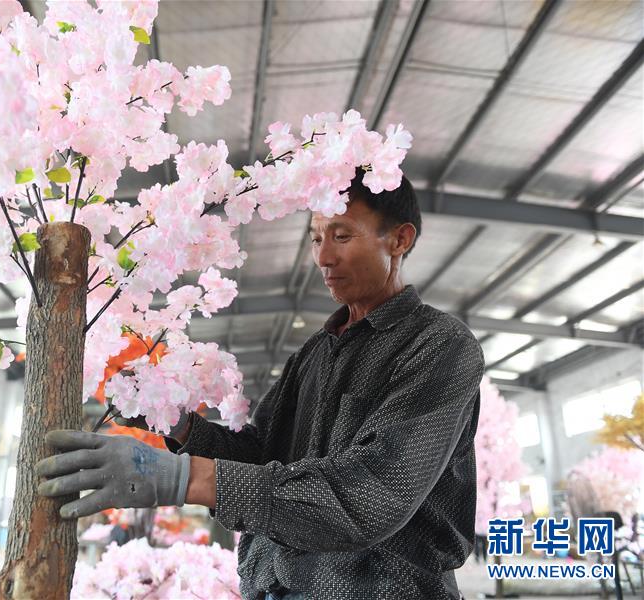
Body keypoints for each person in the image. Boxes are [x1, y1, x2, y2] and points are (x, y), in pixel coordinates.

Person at [36, 170, 485, 600]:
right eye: (316, 237)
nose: (323, 257)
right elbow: (259, 453)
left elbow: (369, 495)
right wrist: (178, 426)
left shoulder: (439, 347)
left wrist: (182, 478)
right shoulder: (313, 355)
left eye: (342, 235)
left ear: (400, 239)